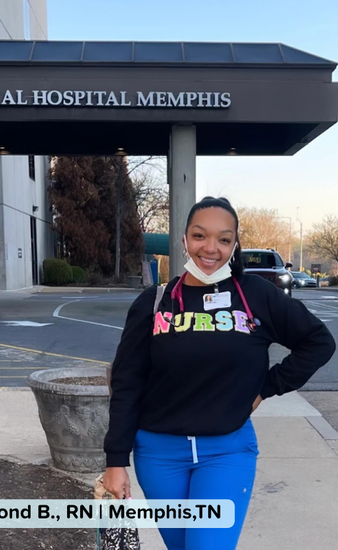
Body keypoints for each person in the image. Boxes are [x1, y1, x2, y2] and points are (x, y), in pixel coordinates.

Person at [102, 197, 336, 550]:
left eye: (224, 239)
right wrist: (116, 461)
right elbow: (127, 383)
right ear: (184, 240)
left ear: (234, 245)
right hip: (159, 455)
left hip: (227, 452)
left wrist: (266, 388)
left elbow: (318, 342)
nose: (210, 248)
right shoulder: (154, 303)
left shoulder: (256, 296)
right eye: (200, 236)